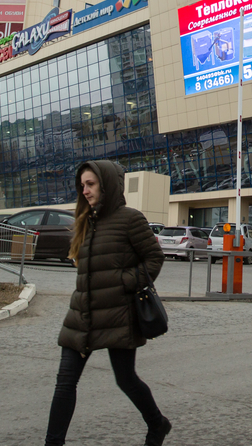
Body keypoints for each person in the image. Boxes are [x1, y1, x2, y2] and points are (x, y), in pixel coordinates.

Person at [46, 160, 171, 446]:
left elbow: (154, 259)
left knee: (126, 380)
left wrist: (125, 282)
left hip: (118, 316)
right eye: (82, 186)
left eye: (90, 184)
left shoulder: (130, 219)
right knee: (65, 382)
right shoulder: (86, 220)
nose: (85, 191)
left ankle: (157, 424)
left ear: (107, 185)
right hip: (81, 317)